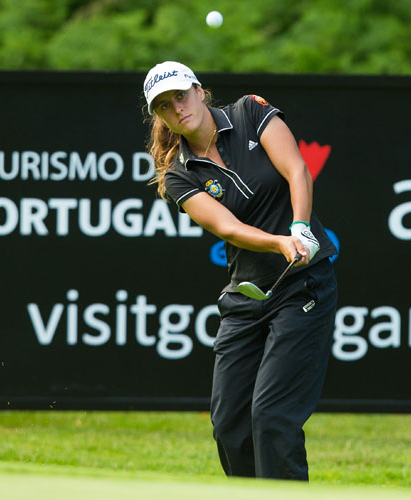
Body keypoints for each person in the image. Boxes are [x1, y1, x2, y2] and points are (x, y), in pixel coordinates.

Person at [142, 61, 338, 480]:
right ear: (158, 116)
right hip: (249, 295)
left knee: (271, 416)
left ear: (198, 90)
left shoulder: (249, 111)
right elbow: (226, 226)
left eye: (180, 95)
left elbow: (296, 170)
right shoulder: (179, 173)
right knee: (229, 425)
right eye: (164, 105)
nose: (177, 108)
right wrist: (277, 242)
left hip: (303, 287)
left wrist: (299, 228)